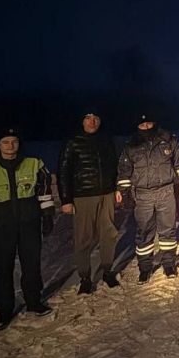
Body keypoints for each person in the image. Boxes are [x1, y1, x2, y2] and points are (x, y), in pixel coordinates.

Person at [0, 127, 55, 331]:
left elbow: (43, 189)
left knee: (31, 265)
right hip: (2, 226)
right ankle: (4, 311)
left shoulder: (34, 164)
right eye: (5, 142)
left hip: (29, 223)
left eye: (14, 141)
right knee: (3, 268)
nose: (10, 146)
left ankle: (34, 302)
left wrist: (48, 214)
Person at [116, 113, 179, 283]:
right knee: (144, 232)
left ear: (154, 123)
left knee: (168, 229)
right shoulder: (131, 145)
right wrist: (124, 190)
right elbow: (124, 170)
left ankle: (169, 264)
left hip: (165, 191)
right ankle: (145, 268)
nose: (146, 128)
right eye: (142, 125)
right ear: (137, 127)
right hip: (142, 195)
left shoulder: (168, 139)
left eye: (149, 124)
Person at [57, 110, 120, 294]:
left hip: (106, 194)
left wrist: (117, 188)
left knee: (109, 233)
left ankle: (107, 271)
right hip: (83, 196)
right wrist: (66, 199)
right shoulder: (73, 142)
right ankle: (85, 277)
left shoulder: (107, 140)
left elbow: (114, 166)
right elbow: (63, 171)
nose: (92, 122)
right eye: (88, 118)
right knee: (84, 237)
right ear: (82, 121)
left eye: (95, 119)